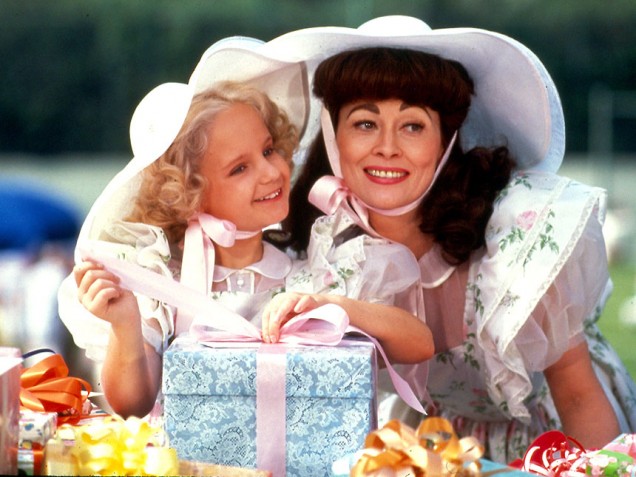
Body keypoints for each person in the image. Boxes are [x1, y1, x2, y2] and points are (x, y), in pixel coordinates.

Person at [266, 16, 636, 462]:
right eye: (365, 123)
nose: (387, 147)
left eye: (412, 126)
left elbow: (577, 396)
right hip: (435, 443)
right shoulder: (331, 253)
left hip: (559, 437)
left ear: (445, 141)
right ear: (333, 135)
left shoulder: (514, 238)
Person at [58, 37, 432, 419]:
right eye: (240, 168)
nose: (271, 172)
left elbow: (419, 344)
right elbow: (132, 404)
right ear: (189, 193)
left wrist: (333, 306)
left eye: (269, 150)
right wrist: (125, 325)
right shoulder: (164, 288)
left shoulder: (315, 276)